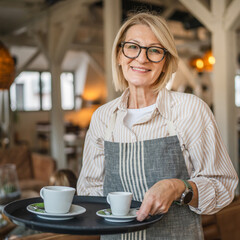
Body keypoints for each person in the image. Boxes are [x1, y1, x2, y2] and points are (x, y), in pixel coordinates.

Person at [77, 12, 238, 239]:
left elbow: (223, 187)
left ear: (165, 62)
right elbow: (88, 191)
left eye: (154, 50)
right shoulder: (103, 117)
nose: (142, 59)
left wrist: (178, 188)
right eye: (132, 47)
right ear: (119, 55)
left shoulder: (190, 110)